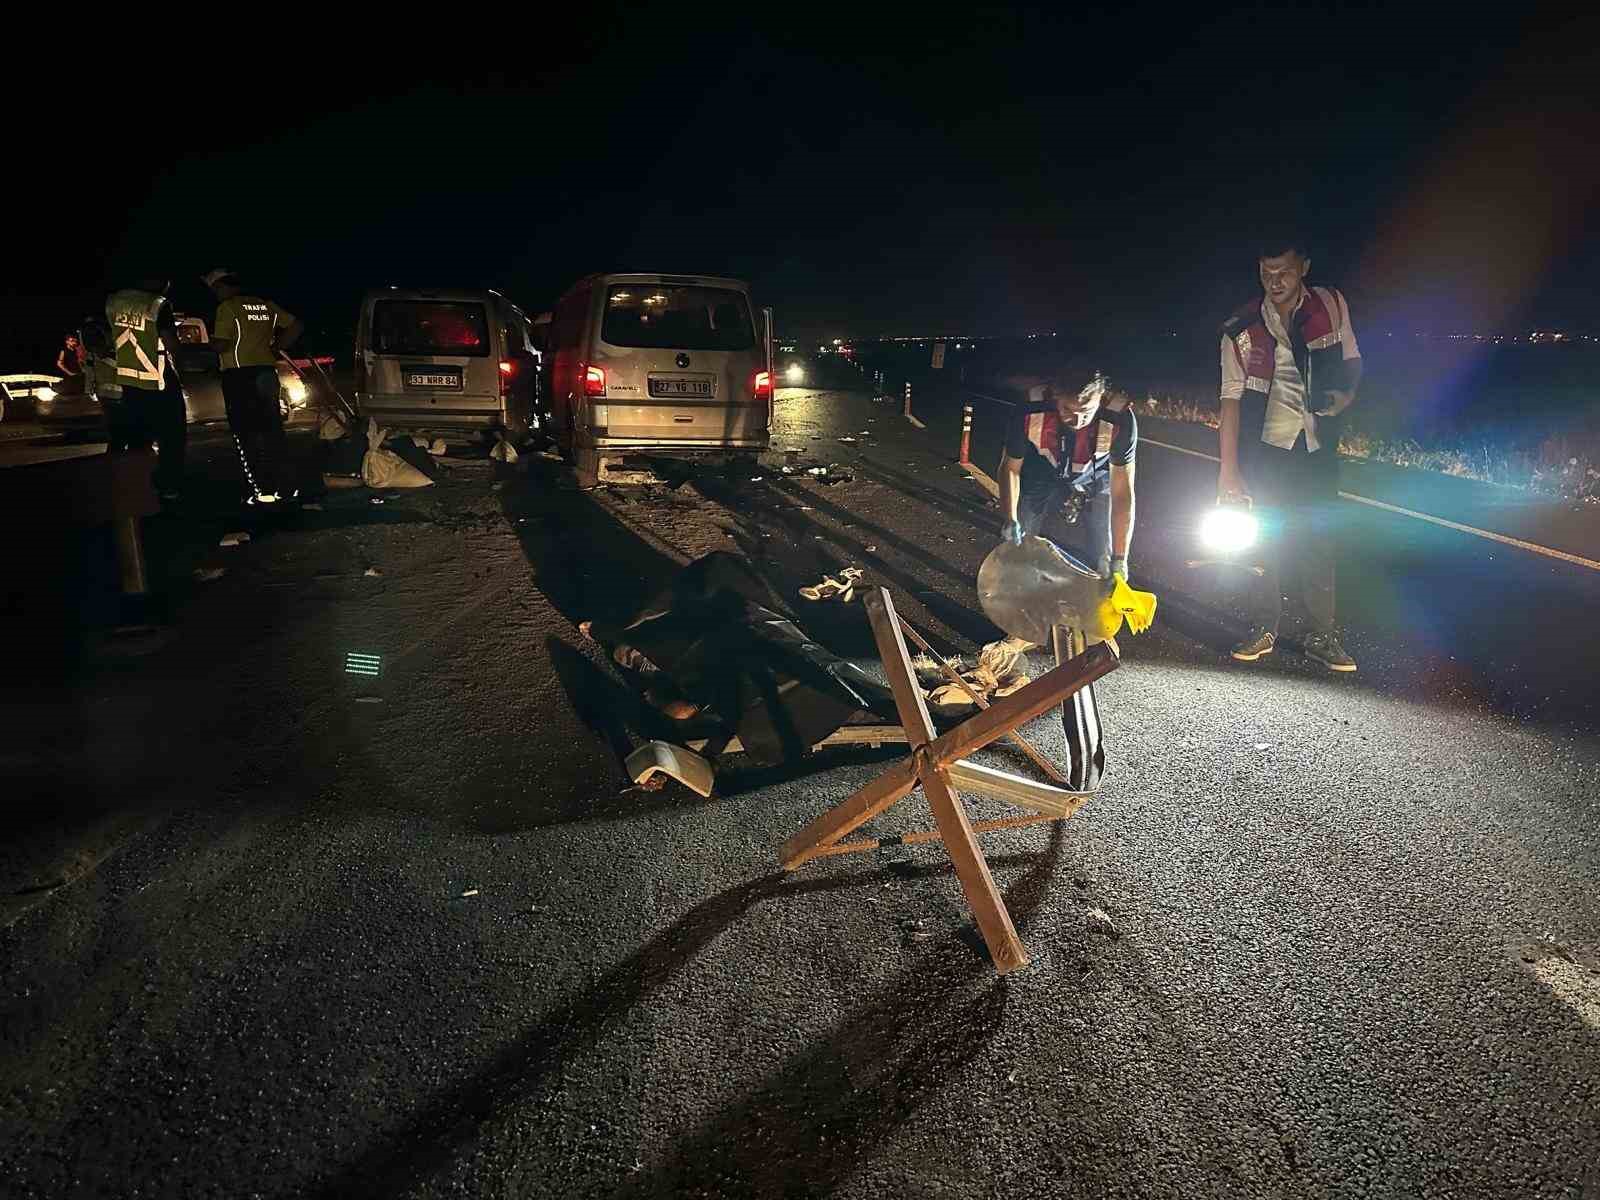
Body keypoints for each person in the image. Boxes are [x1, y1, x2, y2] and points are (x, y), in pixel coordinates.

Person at [1217, 236, 1363, 672]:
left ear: (1304, 267)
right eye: (1266, 272)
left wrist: (1346, 398)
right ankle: (1265, 627)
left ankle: (1324, 635)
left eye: (1283, 271)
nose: (1274, 281)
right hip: (1267, 449)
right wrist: (1228, 471)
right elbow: (1229, 399)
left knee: (1320, 539)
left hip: (1317, 446)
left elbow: (1354, 359)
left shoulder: (1331, 304)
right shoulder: (1239, 328)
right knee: (1264, 538)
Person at [997, 372, 1138, 791]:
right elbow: (1011, 468)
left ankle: (1094, 629)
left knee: (1102, 555)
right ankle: (1016, 623)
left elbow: (1124, 491)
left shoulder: (1121, 420)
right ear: (1054, 398)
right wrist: (1011, 520)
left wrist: (1120, 558)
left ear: (1099, 400)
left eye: (1085, 411)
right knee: (1021, 547)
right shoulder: (1029, 411)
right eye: (1066, 410)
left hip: (1094, 476)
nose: (1075, 419)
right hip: (1043, 469)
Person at [203, 268, 303, 505]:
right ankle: (286, 486)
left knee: (245, 433)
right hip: (266, 373)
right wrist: (277, 346)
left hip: (239, 376)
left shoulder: (227, 308)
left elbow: (221, 345)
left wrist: (207, 345)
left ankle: (261, 489)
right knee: (273, 431)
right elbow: (297, 325)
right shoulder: (264, 305)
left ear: (221, 287)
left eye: (215, 290)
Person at [105, 280, 187, 500]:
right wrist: (185, 358)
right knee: (172, 437)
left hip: (129, 382)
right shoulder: (158, 304)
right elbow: (171, 344)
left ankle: (136, 486)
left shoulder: (114, 301)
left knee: (136, 437)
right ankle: (168, 487)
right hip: (158, 382)